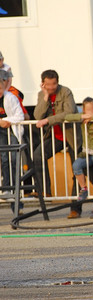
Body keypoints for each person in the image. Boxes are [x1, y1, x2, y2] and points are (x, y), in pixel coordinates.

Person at [33, 70, 81, 203]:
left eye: (54, 84)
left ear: (57, 82)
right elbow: (37, 116)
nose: (51, 87)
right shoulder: (42, 94)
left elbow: (69, 112)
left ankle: (75, 207)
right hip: (56, 135)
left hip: (71, 135)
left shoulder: (66, 92)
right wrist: (45, 97)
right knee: (38, 155)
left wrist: (48, 120)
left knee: (77, 168)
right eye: (48, 84)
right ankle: (45, 191)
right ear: (43, 84)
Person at [65, 97, 93, 219]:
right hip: (86, 153)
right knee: (76, 165)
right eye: (87, 109)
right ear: (83, 110)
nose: (90, 111)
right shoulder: (82, 117)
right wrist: (82, 117)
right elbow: (68, 117)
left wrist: (91, 117)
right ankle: (84, 188)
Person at [0, 69, 24, 213]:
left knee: (15, 161)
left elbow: (19, 116)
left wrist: (6, 120)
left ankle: (17, 202)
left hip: (11, 131)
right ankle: (7, 189)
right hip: (1, 132)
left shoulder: (10, 97)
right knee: (4, 160)